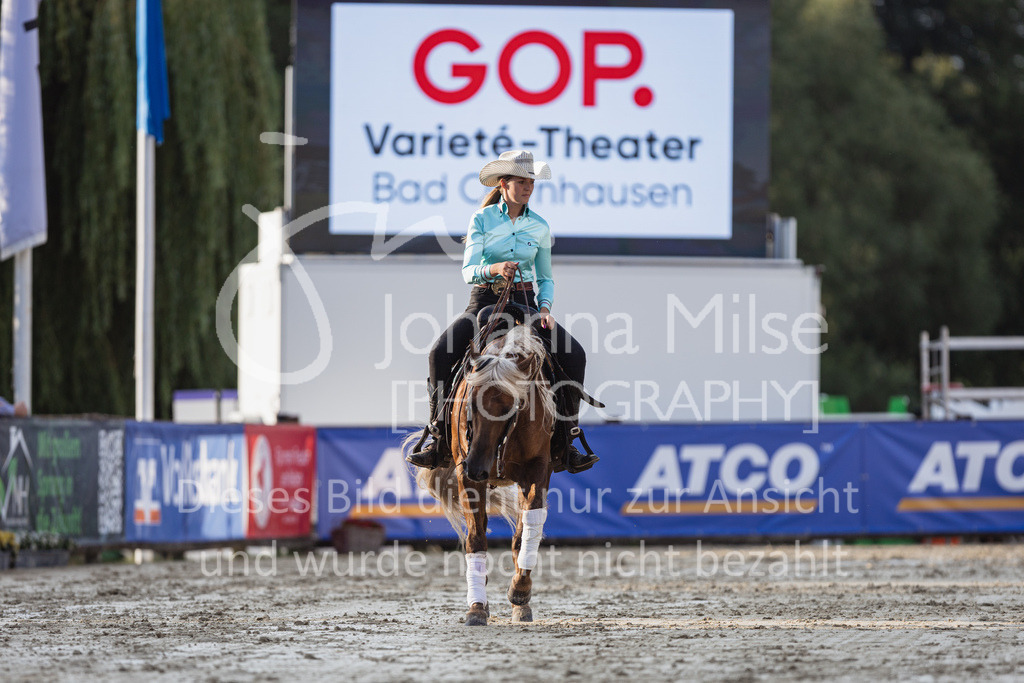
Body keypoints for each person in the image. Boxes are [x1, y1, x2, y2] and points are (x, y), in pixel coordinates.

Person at [406, 149, 599, 474]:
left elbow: (546, 278)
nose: (527, 187)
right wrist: (494, 268)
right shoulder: (482, 219)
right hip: (484, 301)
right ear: (504, 183)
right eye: (521, 181)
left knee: (575, 354)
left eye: (531, 182)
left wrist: (547, 307)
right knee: (439, 353)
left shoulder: (539, 226)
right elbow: (469, 270)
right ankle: (438, 435)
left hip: (526, 303)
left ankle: (568, 438)